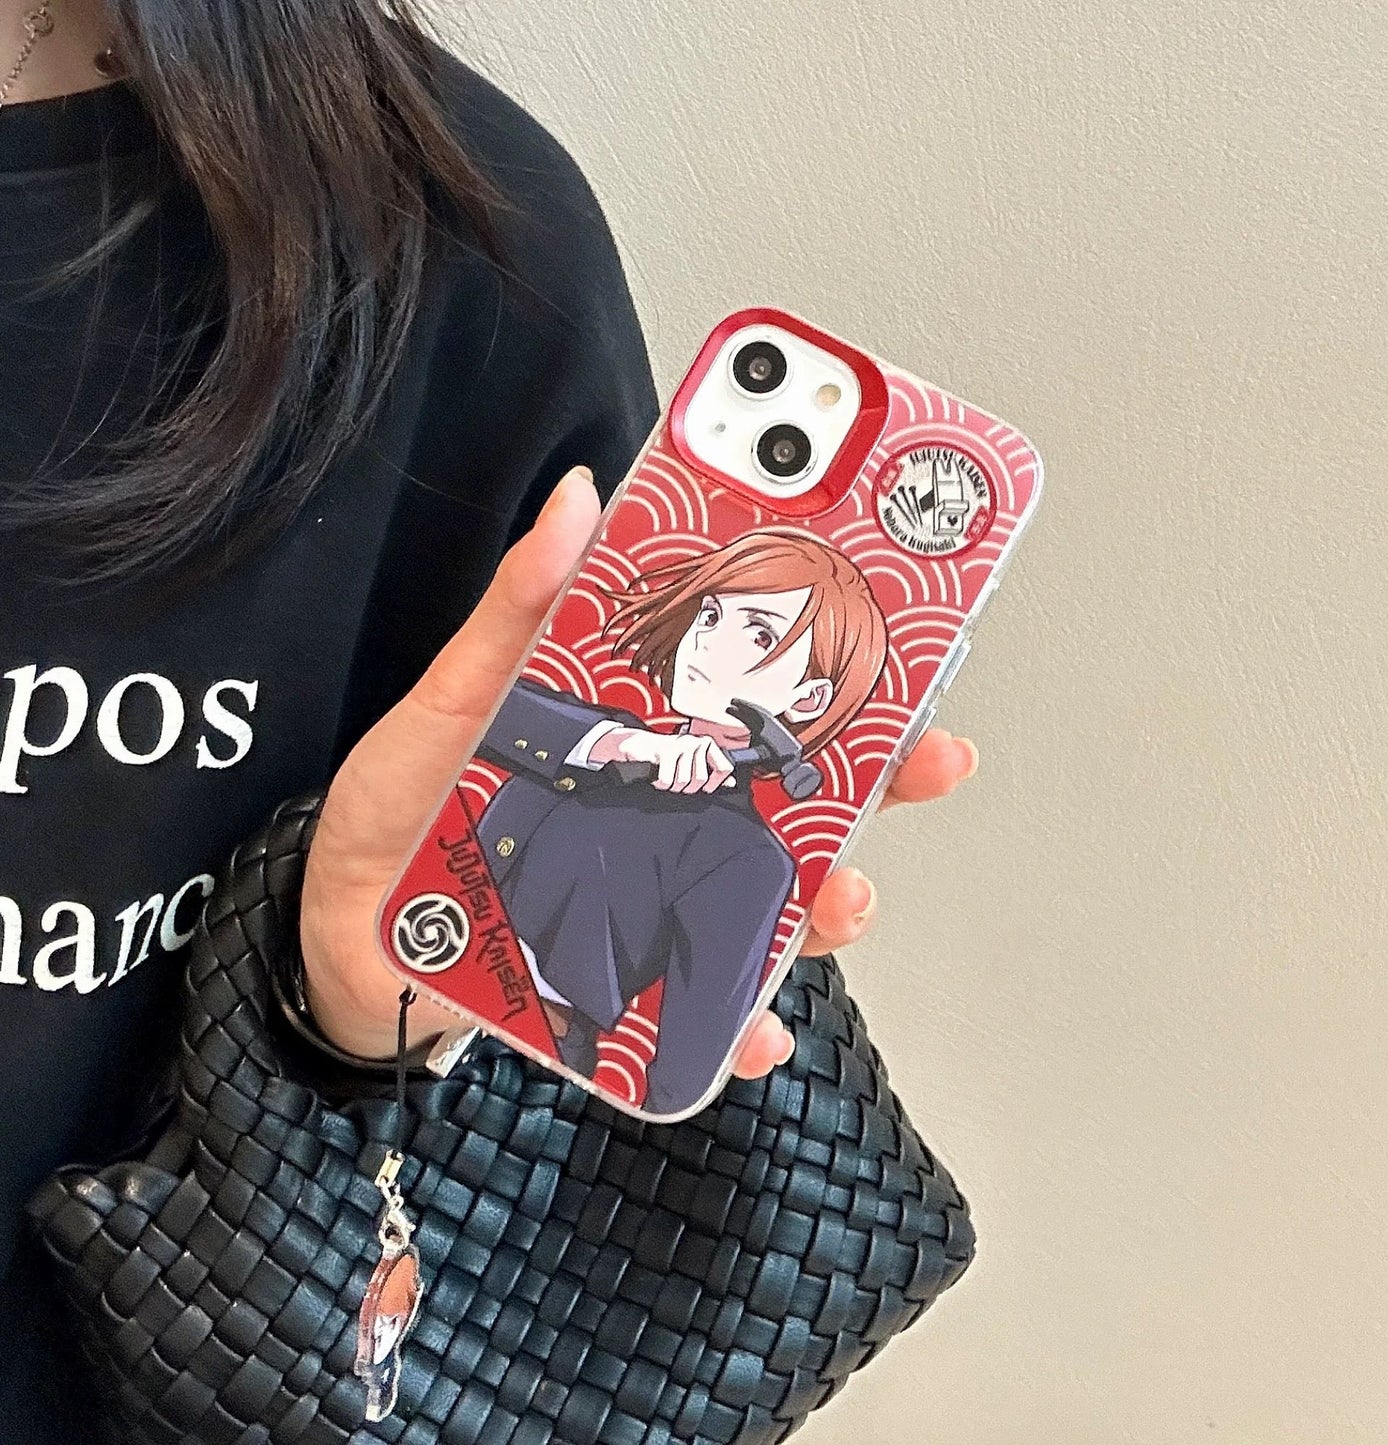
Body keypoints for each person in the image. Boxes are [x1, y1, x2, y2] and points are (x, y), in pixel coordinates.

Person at [0, 3, 979, 1439]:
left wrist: (350, 1021)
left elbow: (494, 1137)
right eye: (740, 628)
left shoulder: (456, 253)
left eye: (780, 652)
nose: (745, 656)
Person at [472, 530, 891, 1115]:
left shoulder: (747, 857)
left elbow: (684, 1073)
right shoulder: (601, 737)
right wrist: (622, 745)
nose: (708, 641)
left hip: (520, 1060)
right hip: (421, 943)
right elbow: (480, 706)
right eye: (711, 614)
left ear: (808, 699)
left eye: (760, 634)